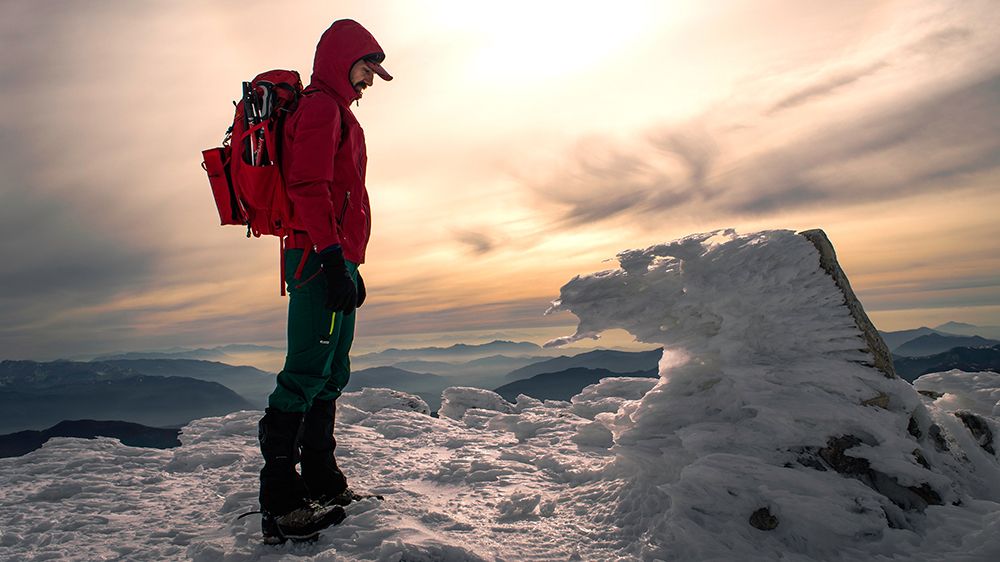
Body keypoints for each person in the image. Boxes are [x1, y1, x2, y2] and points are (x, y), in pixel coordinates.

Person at [256, 19, 393, 544]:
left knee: (333, 369)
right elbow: (308, 186)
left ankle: (321, 480)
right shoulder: (319, 108)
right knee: (306, 371)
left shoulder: (339, 114)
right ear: (342, 60)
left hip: (338, 258)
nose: (370, 81)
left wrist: (350, 263)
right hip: (316, 258)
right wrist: (333, 260)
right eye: (366, 68)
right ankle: (282, 503)